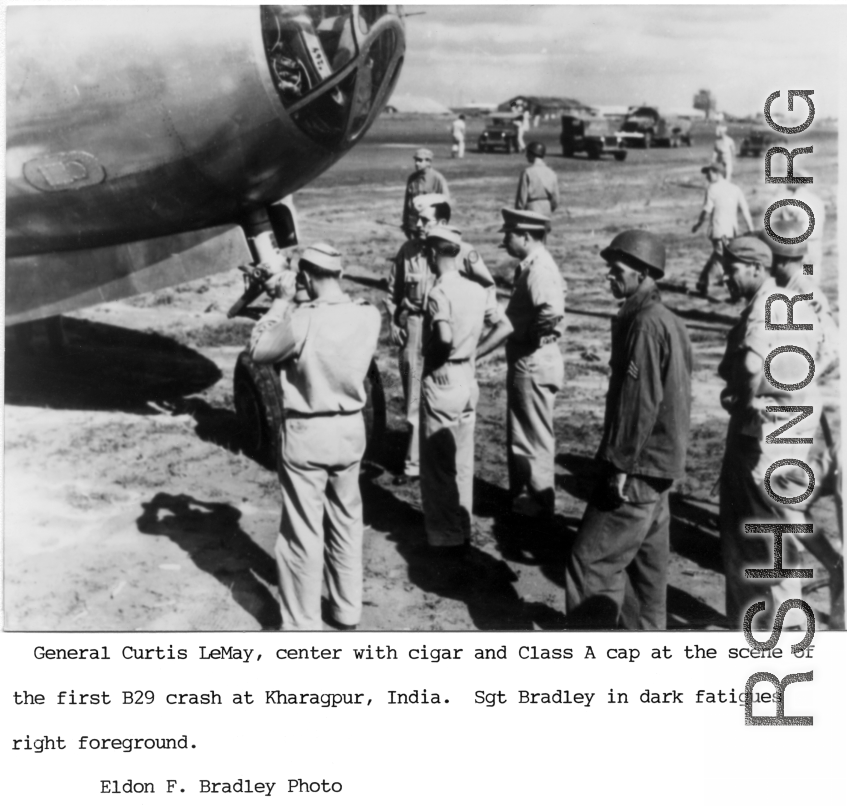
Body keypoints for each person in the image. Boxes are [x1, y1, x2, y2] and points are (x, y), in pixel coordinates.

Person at [564, 231, 693, 630]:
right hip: (660, 469)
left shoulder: (644, 324)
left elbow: (639, 402)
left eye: (616, 270)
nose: (608, 276)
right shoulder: (668, 320)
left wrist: (619, 465)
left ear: (641, 273)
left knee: (590, 565)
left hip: (636, 469)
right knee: (645, 576)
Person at [249, 244, 381, 631]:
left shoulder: (303, 320)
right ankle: (346, 611)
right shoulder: (367, 315)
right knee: (346, 523)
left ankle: (303, 626)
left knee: (302, 533)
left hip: (309, 432)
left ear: (305, 278)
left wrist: (279, 302)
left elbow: (258, 350)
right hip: (351, 430)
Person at [716, 236, 823, 630]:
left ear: (757, 269)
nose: (725, 275)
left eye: (732, 268)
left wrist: (742, 400)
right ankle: (788, 621)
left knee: (752, 539)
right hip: (792, 434)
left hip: (760, 438)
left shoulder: (762, 308)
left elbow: (748, 368)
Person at [759, 226, 843, 627]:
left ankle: (835, 565)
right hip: (821, 414)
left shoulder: (802, 295)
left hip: (827, 418)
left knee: (788, 498)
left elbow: (829, 351)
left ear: (777, 260)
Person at [385, 194, 494, 483]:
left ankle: (441, 457)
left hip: (446, 329)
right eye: (417, 219)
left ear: (443, 222)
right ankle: (413, 463)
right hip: (415, 326)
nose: (417, 224)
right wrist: (394, 321)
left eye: (425, 220)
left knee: (447, 392)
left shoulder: (459, 250)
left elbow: (487, 285)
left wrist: (475, 321)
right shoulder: (407, 250)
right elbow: (392, 292)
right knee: (413, 393)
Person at [419, 226, 513, 550]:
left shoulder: (438, 293)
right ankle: (464, 528)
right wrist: (474, 353)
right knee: (462, 461)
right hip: (467, 380)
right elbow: (504, 327)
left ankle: (444, 537)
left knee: (437, 464)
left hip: (442, 379)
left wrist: (434, 360)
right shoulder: (476, 289)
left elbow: (442, 338)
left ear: (433, 254)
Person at [500, 208, 565, 518]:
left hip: (534, 359)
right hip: (533, 359)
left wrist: (528, 335)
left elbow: (551, 311)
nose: (504, 239)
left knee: (532, 436)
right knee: (526, 433)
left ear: (525, 236)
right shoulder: (533, 265)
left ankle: (537, 506)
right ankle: (529, 499)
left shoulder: (538, 268)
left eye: (508, 234)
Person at [692, 162, 753, 295]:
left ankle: (705, 283)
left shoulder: (712, 188)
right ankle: (706, 283)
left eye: (709, 173)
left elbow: (706, 210)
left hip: (718, 230)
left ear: (717, 173)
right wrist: (750, 227)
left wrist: (698, 224)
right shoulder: (735, 188)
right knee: (721, 256)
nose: (707, 176)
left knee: (720, 257)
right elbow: (744, 209)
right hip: (731, 231)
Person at [402, 148, 449, 238]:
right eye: (416, 160)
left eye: (420, 160)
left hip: (429, 225)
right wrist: (405, 222)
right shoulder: (412, 178)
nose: (416, 163)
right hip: (413, 224)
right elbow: (407, 202)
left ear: (428, 162)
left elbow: (446, 203)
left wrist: (442, 226)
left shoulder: (437, 178)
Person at [515, 142, 560, 218]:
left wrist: (518, 213)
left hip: (531, 210)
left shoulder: (527, 172)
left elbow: (521, 200)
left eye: (528, 153)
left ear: (532, 154)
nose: (526, 156)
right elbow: (556, 200)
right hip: (546, 211)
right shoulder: (552, 173)